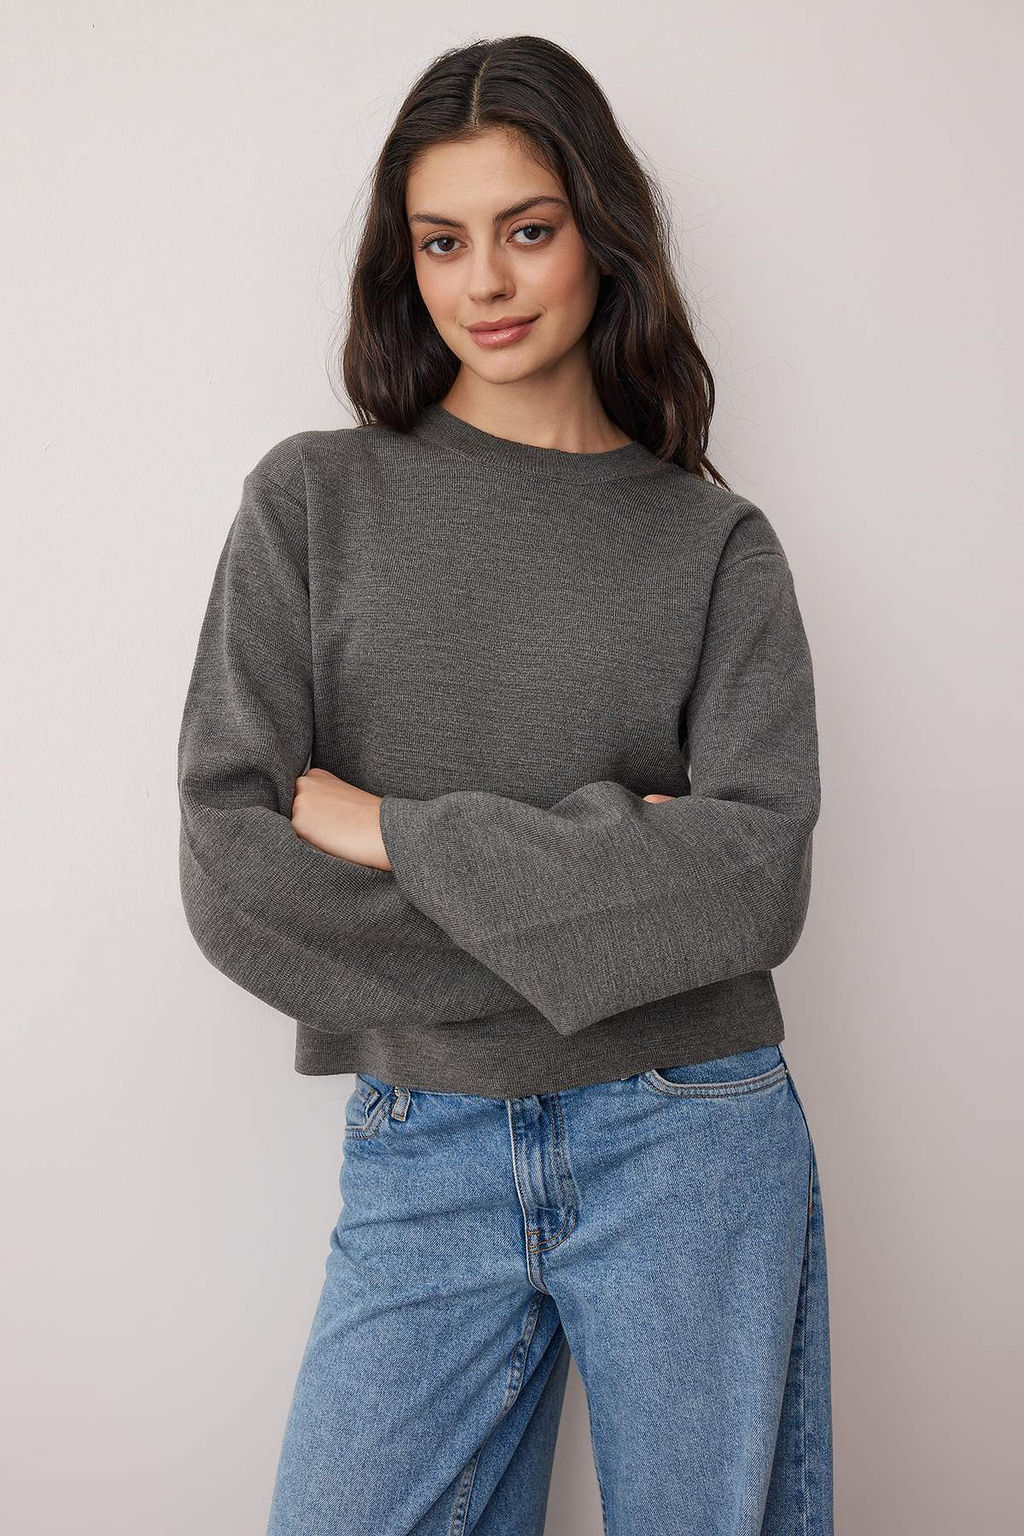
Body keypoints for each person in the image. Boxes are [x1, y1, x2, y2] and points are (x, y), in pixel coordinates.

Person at [176, 33, 833, 1536]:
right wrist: (611, 885)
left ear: (600, 234)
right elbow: (232, 870)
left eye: (527, 231)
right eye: (442, 241)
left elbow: (754, 884)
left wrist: (390, 830)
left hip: (691, 1132)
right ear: (402, 261)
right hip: (425, 1141)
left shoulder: (715, 546)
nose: (485, 281)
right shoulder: (312, 502)